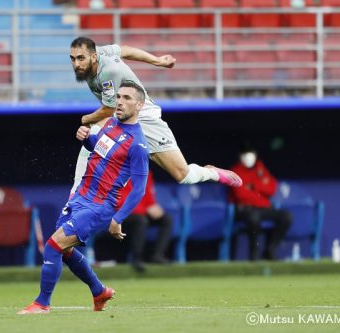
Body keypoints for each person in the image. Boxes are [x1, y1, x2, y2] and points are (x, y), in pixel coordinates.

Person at [18, 81, 150, 314]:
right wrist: (86, 138)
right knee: (65, 252)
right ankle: (99, 291)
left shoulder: (138, 144)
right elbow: (99, 151)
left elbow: (139, 189)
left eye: (127, 98)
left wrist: (118, 218)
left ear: (139, 105)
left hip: (100, 205)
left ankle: (42, 304)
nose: (119, 101)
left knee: (53, 245)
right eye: (118, 97)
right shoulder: (110, 123)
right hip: (80, 197)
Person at [69, 36, 242, 195]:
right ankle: (75, 194)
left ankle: (211, 172)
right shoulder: (99, 52)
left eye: (81, 58)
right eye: (73, 59)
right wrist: (157, 60)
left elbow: (108, 108)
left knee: (183, 175)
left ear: (93, 57)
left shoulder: (108, 72)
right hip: (122, 117)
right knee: (91, 138)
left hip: (142, 117)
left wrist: (86, 119)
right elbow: (126, 50)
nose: (76, 63)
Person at [228, 142, 292, 261]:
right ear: (240, 155)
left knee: (286, 216)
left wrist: (253, 186)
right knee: (254, 218)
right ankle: (254, 256)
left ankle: (270, 250)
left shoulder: (260, 168)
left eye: (251, 153)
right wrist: (261, 187)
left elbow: (272, 188)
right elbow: (241, 195)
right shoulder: (235, 171)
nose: (248, 156)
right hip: (245, 210)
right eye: (245, 154)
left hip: (264, 208)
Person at [119, 170, 172, 272]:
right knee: (141, 220)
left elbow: (148, 195)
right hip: (120, 215)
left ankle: (158, 255)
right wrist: (145, 209)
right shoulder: (120, 170)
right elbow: (119, 201)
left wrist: (152, 206)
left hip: (140, 212)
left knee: (166, 219)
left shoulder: (146, 172)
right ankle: (137, 258)